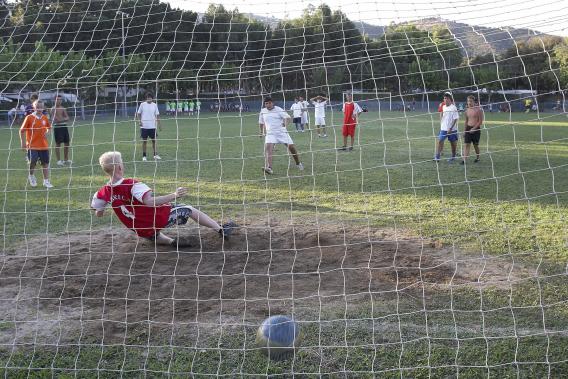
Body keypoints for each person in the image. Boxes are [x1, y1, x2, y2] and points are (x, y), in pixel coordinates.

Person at [91, 151, 236, 247]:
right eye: (122, 162)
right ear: (119, 167)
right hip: (156, 219)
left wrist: (104, 208)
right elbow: (149, 201)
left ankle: (171, 242)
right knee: (188, 209)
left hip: (139, 228)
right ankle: (221, 230)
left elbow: (98, 213)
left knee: (152, 233)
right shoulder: (132, 184)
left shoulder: (103, 191)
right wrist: (174, 194)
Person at [259, 97, 304, 175]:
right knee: (268, 147)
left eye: (269, 103)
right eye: (266, 103)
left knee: (291, 147)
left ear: (273, 103)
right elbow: (261, 122)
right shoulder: (263, 111)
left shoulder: (278, 109)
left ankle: (298, 163)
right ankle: (269, 168)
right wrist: (261, 132)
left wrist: (285, 125)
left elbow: (288, 117)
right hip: (270, 133)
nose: (268, 105)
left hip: (281, 132)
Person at [20, 100, 53, 188]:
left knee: (45, 163)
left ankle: (46, 181)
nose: (39, 109)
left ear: (43, 107)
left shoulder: (44, 117)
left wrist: (47, 132)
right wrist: (23, 143)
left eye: (41, 107)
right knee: (33, 161)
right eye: (37, 107)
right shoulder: (29, 117)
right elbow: (22, 130)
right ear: (33, 107)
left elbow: (49, 128)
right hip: (32, 145)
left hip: (43, 145)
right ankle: (31, 176)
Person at [135, 92, 161, 161]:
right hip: (144, 127)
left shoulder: (155, 105)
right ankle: (144, 156)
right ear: (146, 98)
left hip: (153, 126)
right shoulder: (142, 104)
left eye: (150, 97)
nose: (149, 99)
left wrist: (159, 124)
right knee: (144, 141)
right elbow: (138, 113)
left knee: (154, 141)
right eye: (148, 97)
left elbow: (157, 115)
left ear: (152, 98)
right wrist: (139, 121)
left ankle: (155, 155)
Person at [434, 92, 459, 162]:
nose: (446, 100)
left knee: (453, 144)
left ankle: (453, 157)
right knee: (440, 141)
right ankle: (437, 156)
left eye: (447, 98)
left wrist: (450, 128)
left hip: (452, 130)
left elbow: (455, 118)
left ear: (450, 99)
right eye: (445, 98)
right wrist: (442, 124)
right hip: (443, 129)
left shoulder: (453, 107)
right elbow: (442, 116)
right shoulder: (443, 107)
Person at [461, 95, 483, 165]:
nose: (469, 102)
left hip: (476, 129)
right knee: (466, 144)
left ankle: (478, 158)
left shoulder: (479, 110)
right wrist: (465, 131)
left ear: (474, 101)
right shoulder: (467, 110)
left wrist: (474, 128)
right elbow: (466, 121)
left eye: (470, 101)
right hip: (468, 129)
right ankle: (464, 160)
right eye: (468, 101)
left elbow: (480, 122)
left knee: (475, 145)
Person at [50, 94, 71, 166]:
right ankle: (58, 161)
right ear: (54, 100)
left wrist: (61, 119)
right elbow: (54, 119)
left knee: (67, 143)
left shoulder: (63, 108)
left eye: (60, 99)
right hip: (57, 128)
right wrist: (62, 119)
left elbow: (67, 118)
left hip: (64, 127)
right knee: (58, 144)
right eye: (58, 99)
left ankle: (66, 159)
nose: (59, 101)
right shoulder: (53, 109)